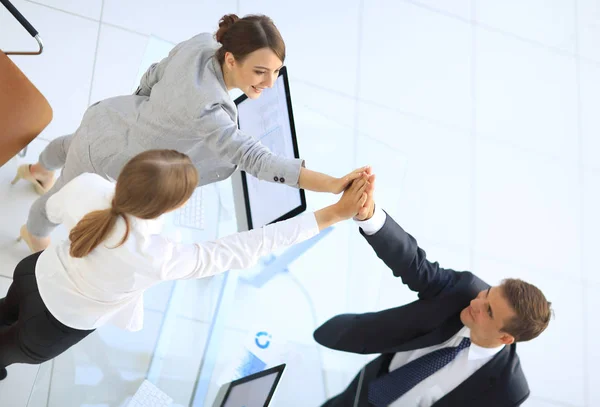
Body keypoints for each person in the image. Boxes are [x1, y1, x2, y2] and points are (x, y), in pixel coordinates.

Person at [0, 149, 371, 381]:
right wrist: (333, 214)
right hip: (52, 326)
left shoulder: (88, 184)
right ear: (170, 208)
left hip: (33, 273)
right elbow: (244, 247)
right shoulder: (157, 257)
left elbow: (50, 210)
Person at [11, 13, 366, 252]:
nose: (269, 84)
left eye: (276, 72)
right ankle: (33, 233)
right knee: (57, 199)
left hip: (109, 117)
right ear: (231, 60)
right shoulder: (211, 109)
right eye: (261, 72)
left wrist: (143, 119)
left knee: (70, 144)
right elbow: (256, 159)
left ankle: (38, 168)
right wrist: (334, 184)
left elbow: (153, 74)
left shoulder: (201, 45)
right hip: (109, 160)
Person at [314, 172, 552, 407]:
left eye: (488, 311)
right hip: (373, 384)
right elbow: (413, 264)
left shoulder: (508, 390)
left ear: (505, 338)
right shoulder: (465, 291)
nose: (476, 303)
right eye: (487, 294)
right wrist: (370, 217)